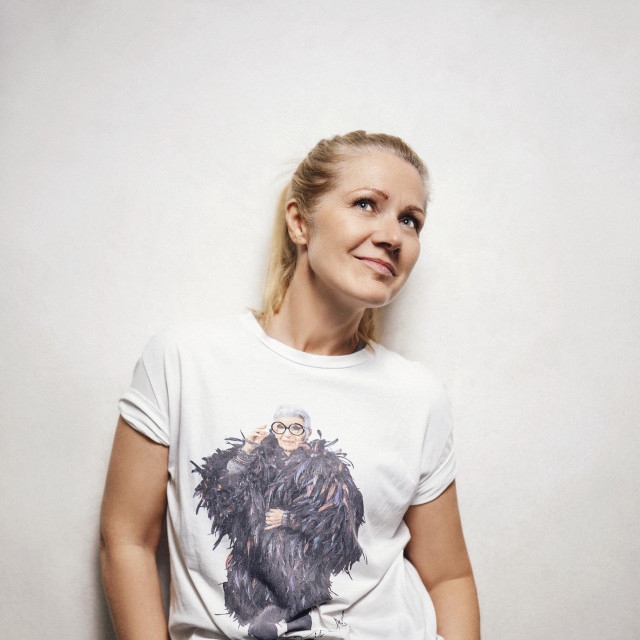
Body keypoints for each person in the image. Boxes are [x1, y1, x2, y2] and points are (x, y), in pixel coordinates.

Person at [100, 130, 481, 640]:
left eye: (410, 220)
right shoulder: (184, 360)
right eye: (366, 204)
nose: (393, 235)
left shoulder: (419, 396)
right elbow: (126, 539)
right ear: (300, 222)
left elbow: (449, 576)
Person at [191, 406, 365, 639]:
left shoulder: (326, 468)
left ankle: (292, 616)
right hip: (252, 561)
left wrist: (290, 519)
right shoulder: (257, 459)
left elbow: (335, 520)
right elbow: (223, 494)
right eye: (281, 427)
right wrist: (246, 452)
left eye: (296, 428)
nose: (287, 434)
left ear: (307, 433)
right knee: (249, 610)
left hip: (297, 564)